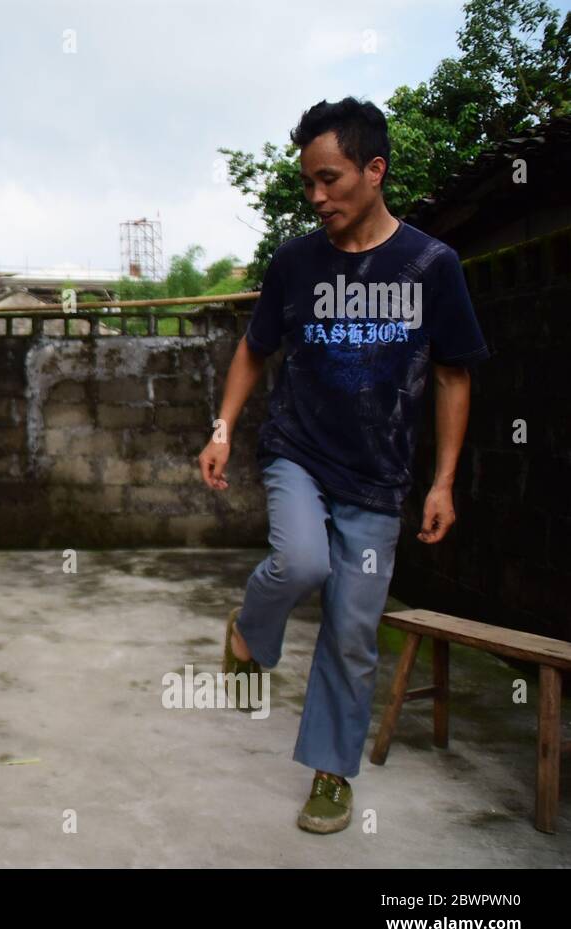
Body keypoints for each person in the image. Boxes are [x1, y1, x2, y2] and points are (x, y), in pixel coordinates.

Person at [197, 97, 489, 834]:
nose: (318, 196)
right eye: (309, 185)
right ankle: (247, 631)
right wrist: (223, 428)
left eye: (330, 179)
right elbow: (255, 349)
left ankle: (331, 773)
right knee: (299, 563)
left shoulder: (430, 264)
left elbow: (455, 374)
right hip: (299, 451)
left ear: (374, 170)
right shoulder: (296, 262)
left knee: (354, 630)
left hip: (381, 476)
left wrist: (444, 481)